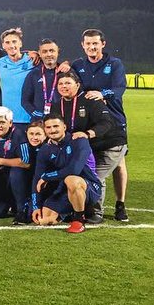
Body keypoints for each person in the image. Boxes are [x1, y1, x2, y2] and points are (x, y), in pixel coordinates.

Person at [70, 28, 130, 220]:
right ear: (82, 45)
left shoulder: (114, 64)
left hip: (114, 119)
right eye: (88, 44)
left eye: (95, 43)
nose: (92, 47)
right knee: (95, 160)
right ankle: (94, 206)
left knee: (119, 163)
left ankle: (120, 204)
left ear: (103, 44)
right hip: (90, 121)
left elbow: (120, 88)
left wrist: (102, 94)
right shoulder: (77, 65)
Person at [51, 71, 125, 224]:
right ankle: (78, 208)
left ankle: (96, 212)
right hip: (87, 148)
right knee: (79, 174)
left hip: (109, 145)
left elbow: (107, 123)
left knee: (94, 176)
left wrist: (88, 134)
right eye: (61, 84)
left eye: (68, 83)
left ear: (77, 85)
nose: (64, 86)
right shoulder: (57, 105)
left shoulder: (90, 99)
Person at [31, 114, 102, 233]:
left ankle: (79, 219)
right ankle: (69, 212)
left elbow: (74, 170)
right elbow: (37, 177)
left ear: (64, 127)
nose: (52, 130)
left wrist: (47, 177)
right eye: (48, 127)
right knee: (45, 220)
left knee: (71, 179)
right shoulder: (45, 149)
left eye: (56, 126)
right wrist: (36, 206)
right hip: (63, 188)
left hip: (89, 186)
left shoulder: (79, 141)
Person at [0, 106, 32, 224]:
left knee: (16, 171)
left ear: (10, 123)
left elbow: (26, 162)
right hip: (1, 178)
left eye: (2, 122)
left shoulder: (19, 135)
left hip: (19, 178)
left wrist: (1, 161)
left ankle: (22, 209)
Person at [0, 28, 34, 134]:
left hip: (29, 117)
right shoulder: (1, 62)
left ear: (20, 43)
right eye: (7, 42)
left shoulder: (33, 60)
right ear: (3, 46)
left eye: (14, 41)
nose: (11, 45)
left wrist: (66, 64)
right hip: (9, 119)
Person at [20, 39, 61, 123]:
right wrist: (36, 114)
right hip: (39, 122)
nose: (49, 54)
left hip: (61, 121)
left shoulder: (65, 72)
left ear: (58, 52)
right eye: (45, 51)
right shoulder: (33, 74)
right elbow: (25, 100)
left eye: (52, 51)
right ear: (40, 54)